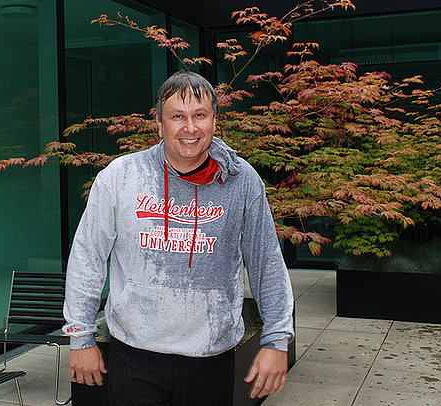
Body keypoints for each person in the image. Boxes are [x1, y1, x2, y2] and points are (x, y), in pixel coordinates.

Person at [62, 70, 294, 405]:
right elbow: (87, 258)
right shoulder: (120, 177)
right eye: (177, 117)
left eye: (200, 115)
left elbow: (266, 263)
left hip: (210, 356)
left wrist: (276, 341)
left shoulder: (241, 182)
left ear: (214, 121)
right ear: (160, 124)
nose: (189, 128)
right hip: (134, 353)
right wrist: (80, 337)